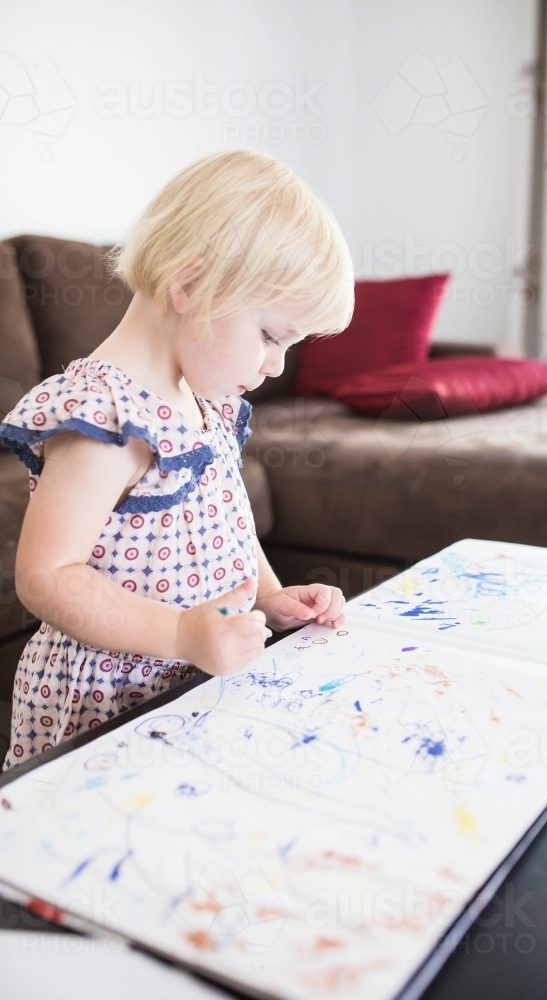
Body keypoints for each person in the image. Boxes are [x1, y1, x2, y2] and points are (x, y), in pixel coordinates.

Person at [0, 150, 353, 769]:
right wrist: (181, 634)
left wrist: (268, 597)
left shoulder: (202, 403)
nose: (275, 366)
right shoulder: (105, 418)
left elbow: (227, 530)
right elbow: (46, 576)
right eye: (272, 336)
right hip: (107, 705)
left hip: (188, 682)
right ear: (189, 287)